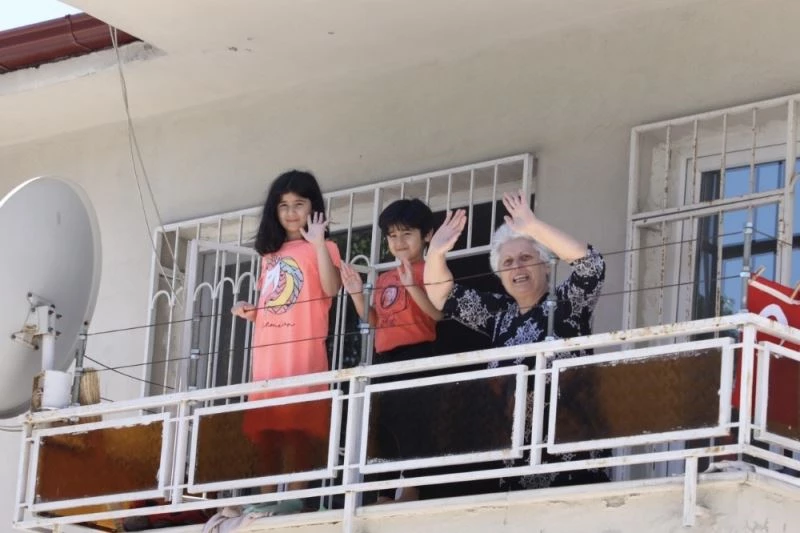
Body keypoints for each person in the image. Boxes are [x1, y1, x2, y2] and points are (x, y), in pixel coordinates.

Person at [424, 190, 608, 492]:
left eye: (526, 258)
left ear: (545, 264)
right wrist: (435, 253)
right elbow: (441, 295)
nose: (517, 268)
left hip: (572, 462)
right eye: (507, 262)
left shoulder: (565, 305)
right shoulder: (500, 315)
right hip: (514, 467)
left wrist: (533, 227)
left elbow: (592, 266)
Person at [231, 170, 341, 514]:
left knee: (297, 427)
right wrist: (251, 311)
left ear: (313, 207)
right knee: (267, 429)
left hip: (302, 352)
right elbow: (273, 300)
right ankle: (265, 497)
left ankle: (294, 497)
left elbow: (331, 288)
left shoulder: (325, 248)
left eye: (299, 204)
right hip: (268, 356)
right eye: (283, 205)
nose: (291, 212)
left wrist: (319, 244)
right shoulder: (269, 255)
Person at [340, 198, 442, 502]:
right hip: (384, 358)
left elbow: (438, 314)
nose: (399, 242)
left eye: (407, 233)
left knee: (413, 423)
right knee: (383, 426)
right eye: (392, 235)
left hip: (417, 354)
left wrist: (412, 286)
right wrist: (356, 294)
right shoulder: (385, 278)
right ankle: (383, 492)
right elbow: (373, 321)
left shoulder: (430, 270)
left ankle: (411, 489)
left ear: (427, 235)